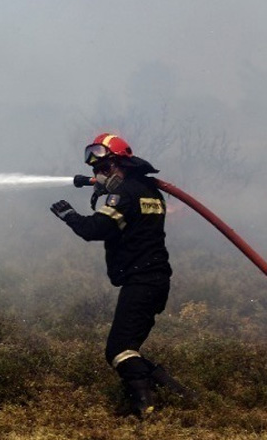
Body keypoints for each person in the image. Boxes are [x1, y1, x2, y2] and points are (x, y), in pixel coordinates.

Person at [50, 133, 193, 418]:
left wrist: (69, 215)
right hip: (152, 280)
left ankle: (145, 408)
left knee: (118, 350)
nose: (99, 175)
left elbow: (94, 230)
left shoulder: (125, 194)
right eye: (95, 171)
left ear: (120, 165)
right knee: (127, 348)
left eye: (104, 169)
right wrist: (100, 188)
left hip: (143, 281)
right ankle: (181, 396)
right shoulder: (147, 190)